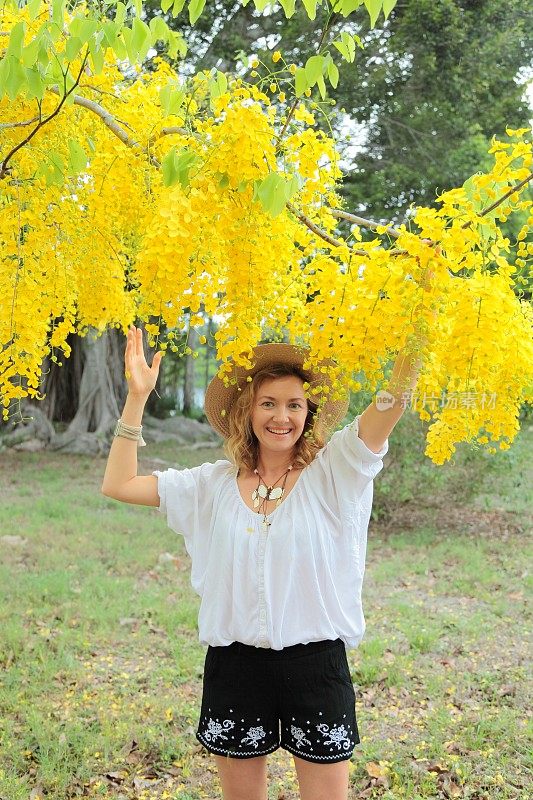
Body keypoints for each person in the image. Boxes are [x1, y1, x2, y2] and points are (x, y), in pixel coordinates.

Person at [101, 326, 424, 800]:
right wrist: (136, 398)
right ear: (248, 411)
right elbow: (119, 484)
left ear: (308, 412)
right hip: (236, 667)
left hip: (316, 665)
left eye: (294, 404)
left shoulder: (336, 471)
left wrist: (420, 305)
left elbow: (392, 402)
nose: (281, 416)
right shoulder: (210, 484)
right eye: (268, 403)